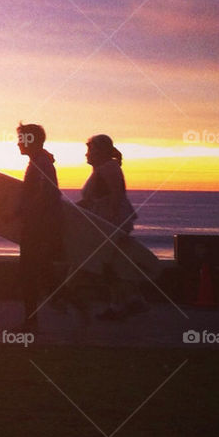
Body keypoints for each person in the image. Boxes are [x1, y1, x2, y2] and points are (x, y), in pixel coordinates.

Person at [77, 134, 144, 320]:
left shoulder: (109, 168)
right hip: (104, 223)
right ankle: (128, 301)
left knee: (109, 265)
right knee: (110, 265)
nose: (86, 154)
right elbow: (93, 200)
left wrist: (112, 226)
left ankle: (124, 303)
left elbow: (116, 196)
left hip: (110, 224)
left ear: (101, 151)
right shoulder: (102, 169)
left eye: (90, 150)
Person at [13, 122, 63, 332]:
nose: (18, 143)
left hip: (38, 229)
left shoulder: (41, 162)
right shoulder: (40, 160)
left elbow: (49, 192)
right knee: (41, 273)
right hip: (37, 226)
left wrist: (28, 212)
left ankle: (32, 321)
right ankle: (68, 305)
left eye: (21, 139)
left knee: (29, 274)